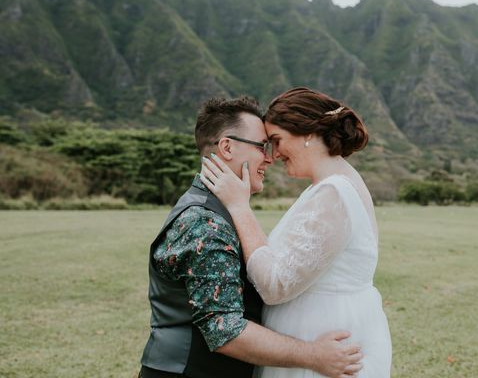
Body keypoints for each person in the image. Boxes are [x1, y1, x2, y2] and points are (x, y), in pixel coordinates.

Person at [139, 96, 363, 378]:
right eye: (262, 146)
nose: (269, 158)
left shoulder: (218, 209)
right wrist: (314, 355)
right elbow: (225, 330)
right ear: (227, 147)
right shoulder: (204, 222)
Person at [201, 88, 393, 378]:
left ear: (308, 133)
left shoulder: (334, 192)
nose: (274, 155)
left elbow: (275, 285)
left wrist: (240, 208)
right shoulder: (329, 185)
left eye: (276, 141)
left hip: (324, 344)